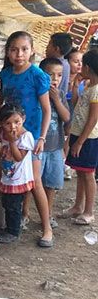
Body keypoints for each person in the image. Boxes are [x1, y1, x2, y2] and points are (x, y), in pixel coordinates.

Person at [0, 31, 53, 247]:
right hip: (9, 135)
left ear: (32, 51)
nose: (19, 54)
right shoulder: (5, 75)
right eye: (14, 49)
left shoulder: (38, 76)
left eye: (24, 49)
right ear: (8, 52)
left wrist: (42, 138)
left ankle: (47, 228)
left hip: (31, 137)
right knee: (11, 175)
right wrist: (2, 129)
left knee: (35, 181)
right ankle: (18, 218)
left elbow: (46, 110)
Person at [64, 49, 98, 225]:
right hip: (79, 134)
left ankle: (88, 211)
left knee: (88, 174)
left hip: (89, 138)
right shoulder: (89, 86)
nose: (79, 68)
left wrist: (80, 142)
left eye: (81, 64)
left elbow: (92, 119)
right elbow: (77, 106)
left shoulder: (96, 90)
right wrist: (76, 86)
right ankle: (78, 206)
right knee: (80, 172)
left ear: (87, 67)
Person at [0, 104, 35, 243]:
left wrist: (12, 142)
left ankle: (13, 231)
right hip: (8, 176)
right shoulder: (4, 133)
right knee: (7, 203)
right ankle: (8, 228)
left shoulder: (26, 137)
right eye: (8, 123)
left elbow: (18, 157)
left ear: (23, 119)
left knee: (14, 206)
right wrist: (3, 131)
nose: (13, 127)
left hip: (18, 179)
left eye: (16, 122)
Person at [37, 58, 70, 229]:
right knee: (34, 184)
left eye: (59, 75)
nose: (55, 79)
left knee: (51, 184)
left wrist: (56, 100)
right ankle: (25, 214)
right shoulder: (37, 94)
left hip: (55, 147)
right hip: (39, 146)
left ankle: (48, 215)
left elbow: (66, 118)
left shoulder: (61, 94)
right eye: (50, 75)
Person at [64, 48, 84, 180]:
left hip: (76, 116)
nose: (79, 65)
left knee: (69, 138)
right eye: (76, 61)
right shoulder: (60, 77)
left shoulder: (85, 80)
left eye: (81, 61)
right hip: (61, 114)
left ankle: (65, 165)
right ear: (67, 62)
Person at [45, 33, 72, 99]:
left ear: (56, 49)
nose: (46, 47)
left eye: (49, 44)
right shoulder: (66, 64)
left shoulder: (55, 66)